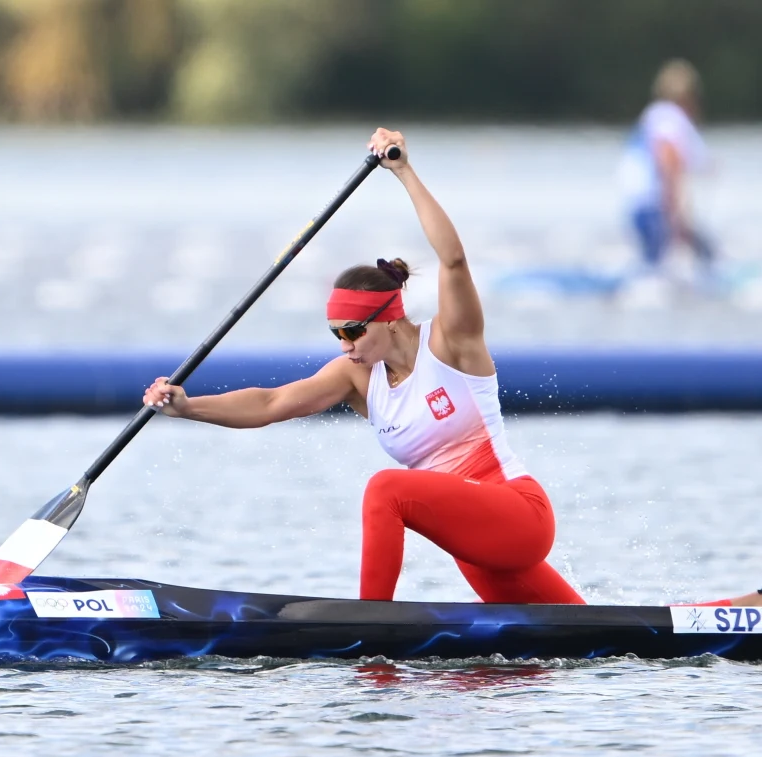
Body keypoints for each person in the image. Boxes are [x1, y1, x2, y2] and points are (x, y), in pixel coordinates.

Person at [142, 128, 586, 605]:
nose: (345, 344)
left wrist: (403, 171)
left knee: (385, 489)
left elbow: (453, 261)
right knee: (529, 659)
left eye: (353, 331)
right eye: (336, 333)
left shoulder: (452, 344)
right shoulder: (357, 377)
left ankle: (371, 626)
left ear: (390, 318)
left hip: (519, 514)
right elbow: (271, 403)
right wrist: (189, 408)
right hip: (475, 548)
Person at [619, 59, 714, 272]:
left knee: (652, 263)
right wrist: (677, 217)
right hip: (654, 204)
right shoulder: (670, 117)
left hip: (637, 204)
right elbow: (669, 162)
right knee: (658, 268)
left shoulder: (653, 116)